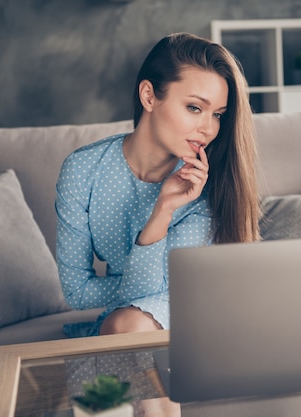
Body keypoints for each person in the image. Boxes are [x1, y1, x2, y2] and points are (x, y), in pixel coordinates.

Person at [55, 32, 261, 338]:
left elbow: (168, 289)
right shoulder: (83, 170)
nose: (208, 128)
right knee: (125, 325)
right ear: (149, 96)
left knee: (126, 326)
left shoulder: (207, 178)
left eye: (217, 115)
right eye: (194, 108)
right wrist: (162, 211)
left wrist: (165, 211)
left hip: (206, 307)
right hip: (131, 316)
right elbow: (77, 293)